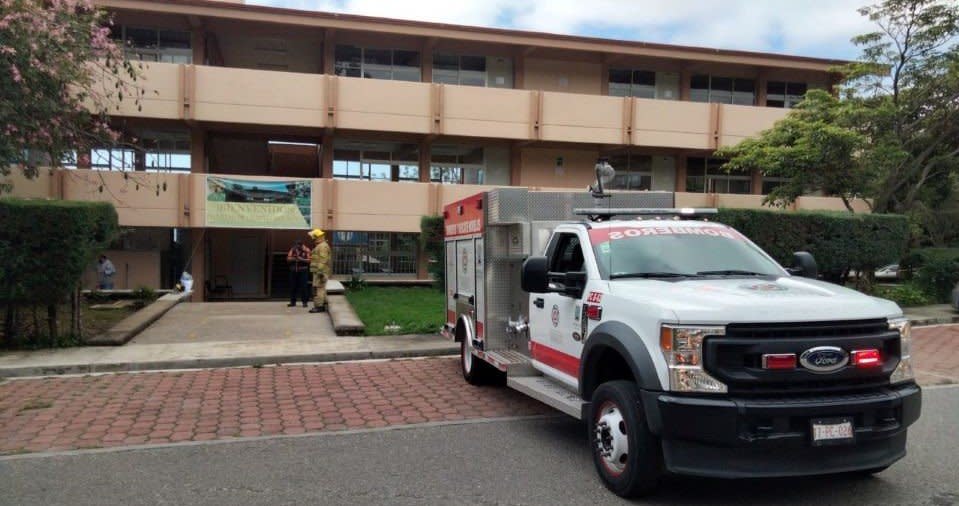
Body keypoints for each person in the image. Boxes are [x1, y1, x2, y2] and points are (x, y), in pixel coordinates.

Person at [308, 229, 331, 313]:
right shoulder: (321, 245)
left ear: (317, 237)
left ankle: (319, 306)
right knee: (321, 288)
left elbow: (323, 260)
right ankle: (323, 304)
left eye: (313, 237)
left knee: (319, 288)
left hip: (320, 272)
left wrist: (320, 272)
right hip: (319, 271)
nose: (312, 238)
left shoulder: (322, 246)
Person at [286, 239, 311, 308]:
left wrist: (301, 259)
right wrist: (294, 258)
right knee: (293, 286)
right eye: (295, 246)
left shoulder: (307, 250)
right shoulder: (293, 249)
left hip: (303, 271)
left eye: (298, 246)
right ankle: (292, 302)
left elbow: (309, 260)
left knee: (304, 287)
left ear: (301, 245)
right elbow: (288, 259)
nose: (296, 247)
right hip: (293, 271)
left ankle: (304, 302)